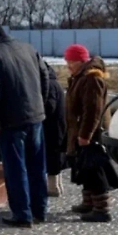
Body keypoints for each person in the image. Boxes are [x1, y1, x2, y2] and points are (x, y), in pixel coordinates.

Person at [0, 17, 51, 228]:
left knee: (16, 169)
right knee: (37, 166)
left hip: (10, 121)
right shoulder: (27, 48)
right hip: (35, 116)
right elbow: (45, 77)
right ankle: (40, 209)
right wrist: (39, 104)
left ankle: (22, 214)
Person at [65, 48, 118, 222]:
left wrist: (85, 134)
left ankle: (101, 208)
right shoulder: (81, 77)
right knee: (85, 167)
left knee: (94, 168)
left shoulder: (92, 79)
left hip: (92, 134)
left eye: (71, 62)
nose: (68, 66)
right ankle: (89, 202)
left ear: (81, 62)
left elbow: (93, 110)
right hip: (84, 131)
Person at [41, 58, 67, 198]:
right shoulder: (54, 82)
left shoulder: (49, 84)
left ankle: (53, 188)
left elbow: (49, 106)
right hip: (57, 125)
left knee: (53, 157)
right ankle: (57, 186)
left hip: (52, 126)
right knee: (56, 157)